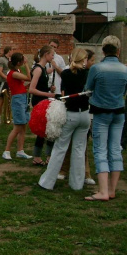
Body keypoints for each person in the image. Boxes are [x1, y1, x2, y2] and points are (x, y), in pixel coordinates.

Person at [84, 35, 127, 202]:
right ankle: (111, 189)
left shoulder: (97, 68)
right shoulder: (125, 69)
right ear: (118, 50)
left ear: (103, 50)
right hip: (119, 112)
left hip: (101, 112)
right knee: (115, 149)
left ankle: (102, 191)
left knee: (100, 150)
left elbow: (88, 88)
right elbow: (125, 90)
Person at [39, 48, 91, 190]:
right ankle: (77, 184)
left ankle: (47, 182)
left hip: (71, 114)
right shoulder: (87, 74)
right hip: (85, 115)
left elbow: (63, 92)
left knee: (60, 148)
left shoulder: (67, 74)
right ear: (84, 59)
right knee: (79, 150)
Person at [58, 49, 96, 185]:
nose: (93, 62)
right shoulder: (75, 74)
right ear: (84, 60)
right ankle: (67, 173)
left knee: (79, 146)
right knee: (72, 146)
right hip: (76, 112)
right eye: (91, 60)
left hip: (83, 112)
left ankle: (84, 174)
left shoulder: (87, 73)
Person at [28, 45, 56, 166]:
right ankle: (41, 156)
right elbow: (32, 89)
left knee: (45, 130)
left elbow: (40, 85)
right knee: (44, 130)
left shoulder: (43, 68)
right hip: (39, 103)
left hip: (43, 101)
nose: (53, 57)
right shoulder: (38, 69)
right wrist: (48, 94)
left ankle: (39, 156)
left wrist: (49, 88)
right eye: (52, 55)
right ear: (46, 55)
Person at [2, 52, 32, 160]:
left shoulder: (17, 71)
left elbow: (22, 83)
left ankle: (20, 150)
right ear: (19, 62)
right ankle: (7, 150)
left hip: (22, 97)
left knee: (23, 126)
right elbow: (29, 77)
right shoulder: (13, 73)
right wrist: (27, 65)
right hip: (18, 100)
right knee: (17, 127)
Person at [0, 46, 14, 125]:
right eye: (12, 50)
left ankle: (9, 117)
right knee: (1, 100)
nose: (12, 52)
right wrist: (7, 78)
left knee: (10, 100)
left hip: (10, 83)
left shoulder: (10, 59)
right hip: (3, 82)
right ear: (9, 51)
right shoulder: (1, 59)